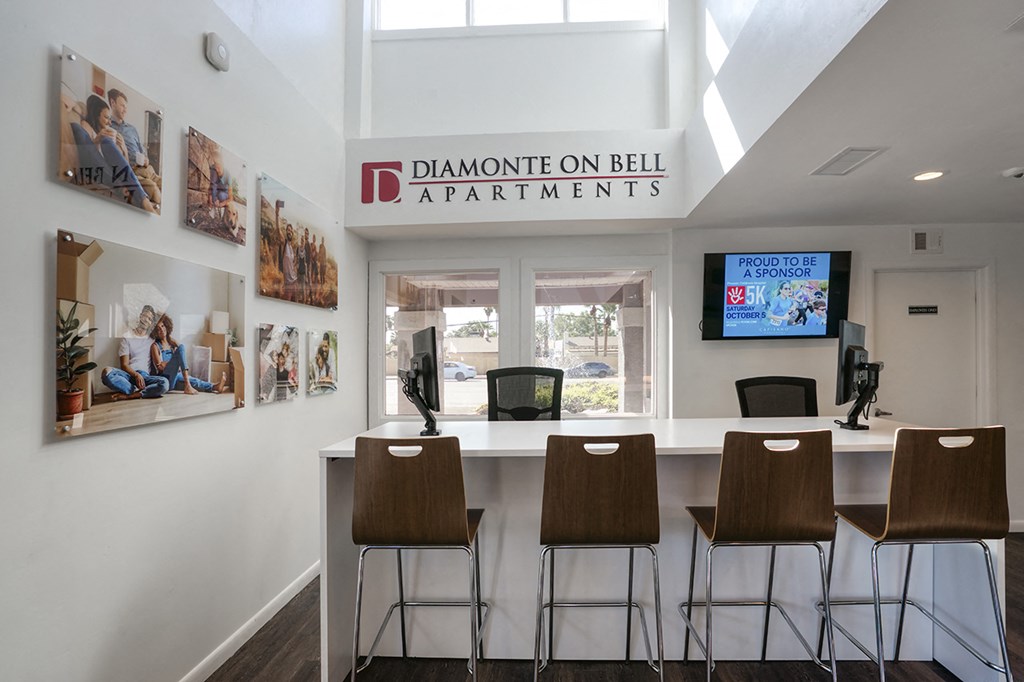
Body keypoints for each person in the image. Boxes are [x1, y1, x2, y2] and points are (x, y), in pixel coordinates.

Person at [71, 95, 155, 212]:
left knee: (107, 141)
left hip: (115, 172)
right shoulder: (86, 126)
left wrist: (123, 147)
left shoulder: (109, 133)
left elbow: (125, 164)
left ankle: (141, 197)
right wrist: (98, 139)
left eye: (110, 118)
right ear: (96, 116)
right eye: (106, 117)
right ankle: (136, 195)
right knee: (105, 140)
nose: (110, 122)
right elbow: (88, 153)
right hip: (99, 170)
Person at [107, 88, 162, 206]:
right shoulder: (108, 127)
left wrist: (146, 160)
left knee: (166, 186)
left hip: (148, 169)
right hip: (132, 171)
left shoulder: (132, 129)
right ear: (113, 103)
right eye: (122, 105)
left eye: (126, 106)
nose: (125, 109)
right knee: (155, 193)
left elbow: (142, 151)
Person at [100, 305, 168, 400]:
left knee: (164, 383)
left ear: (151, 323)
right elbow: (124, 365)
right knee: (106, 372)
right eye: (145, 316)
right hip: (129, 375)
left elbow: (165, 337)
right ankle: (137, 390)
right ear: (140, 316)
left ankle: (131, 395)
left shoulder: (152, 339)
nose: (146, 320)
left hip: (144, 377)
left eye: (149, 319)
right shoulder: (127, 337)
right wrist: (136, 375)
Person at [149, 314, 226, 394]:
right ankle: (187, 385)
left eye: (162, 326)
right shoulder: (155, 346)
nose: (161, 329)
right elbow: (160, 367)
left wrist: (174, 343)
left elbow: (181, 355)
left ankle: (214, 387)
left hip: (175, 377)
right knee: (181, 347)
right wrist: (174, 364)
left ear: (166, 326)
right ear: (155, 333)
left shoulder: (171, 344)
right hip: (166, 379)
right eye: (158, 329)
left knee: (193, 380)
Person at [208, 148, 235, 234]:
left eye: (218, 165)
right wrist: (211, 197)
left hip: (223, 194)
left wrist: (222, 204)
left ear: (222, 163)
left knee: (221, 195)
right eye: (215, 165)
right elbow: (212, 185)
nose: (217, 168)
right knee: (214, 194)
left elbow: (231, 198)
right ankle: (213, 206)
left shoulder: (228, 176)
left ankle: (218, 208)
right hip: (216, 192)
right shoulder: (214, 170)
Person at [282, 224, 298, 301]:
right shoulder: (284, 244)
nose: (290, 232)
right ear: (286, 232)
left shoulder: (291, 247)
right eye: (288, 230)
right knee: (287, 300)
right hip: (287, 280)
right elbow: (278, 231)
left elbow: (292, 263)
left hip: (294, 279)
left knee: (294, 300)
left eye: (291, 231)